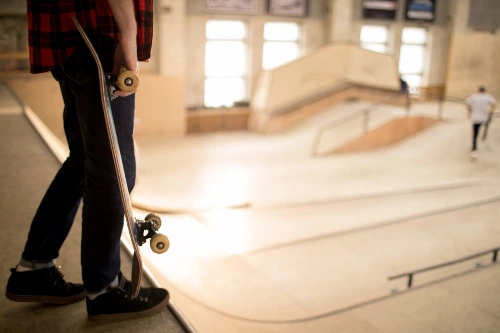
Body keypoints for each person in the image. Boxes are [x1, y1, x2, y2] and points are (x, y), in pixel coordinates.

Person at [5, 0, 170, 322]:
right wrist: (127, 36)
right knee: (112, 169)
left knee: (84, 163)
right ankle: (104, 290)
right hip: (98, 35)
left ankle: (34, 269)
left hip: (71, 36)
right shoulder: (109, 36)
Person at [466, 86, 496, 159]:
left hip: (476, 117)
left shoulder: (473, 97)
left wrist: (470, 111)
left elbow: (467, 104)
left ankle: (474, 149)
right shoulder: (488, 97)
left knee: (475, 133)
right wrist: (491, 111)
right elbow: (494, 104)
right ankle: (484, 135)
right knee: (486, 123)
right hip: (484, 117)